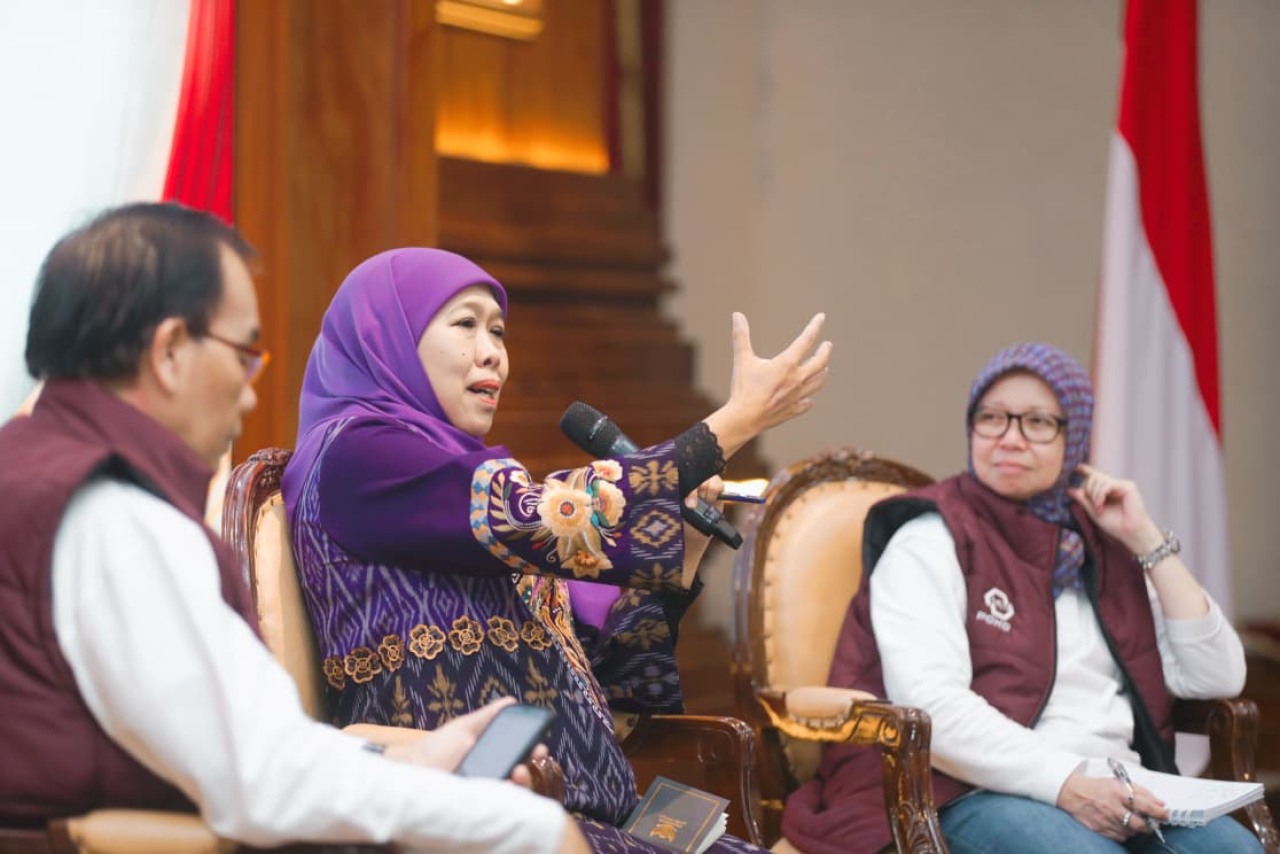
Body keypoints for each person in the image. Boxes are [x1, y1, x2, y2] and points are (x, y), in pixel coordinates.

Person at [0, 203, 589, 854]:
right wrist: (524, 828)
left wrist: (419, 762)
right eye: (245, 354)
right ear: (169, 351)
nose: (251, 393)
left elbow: (235, 743)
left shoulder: (28, 473)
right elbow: (261, 781)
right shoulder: (116, 517)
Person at [281, 247, 831, 851]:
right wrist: (737, 420)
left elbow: (614, 684)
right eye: (465, 324)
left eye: (497, 330)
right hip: (485, 825)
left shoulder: (454, 479)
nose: (492, 350)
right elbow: (554, 515)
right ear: (383, 336)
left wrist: (690, 542)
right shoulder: (359, 456)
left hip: (582, 821)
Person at [781, 342, 1260, 854]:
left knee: (1235, 851)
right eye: (992, 418)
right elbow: (933, 707)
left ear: (1073, 437)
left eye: (1036, 422)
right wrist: (1067, 782)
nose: (1010, 438)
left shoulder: (1103, 548)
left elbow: (1218, 675)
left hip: (1117, 781)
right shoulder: (932, 535)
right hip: (965, 786)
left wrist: (1145, 540)